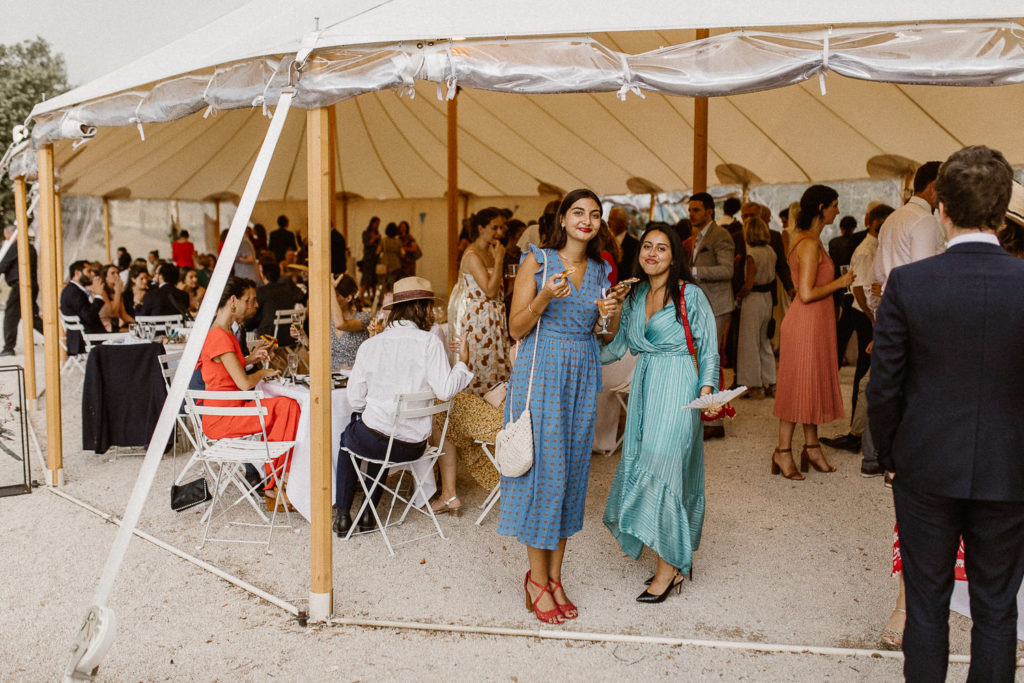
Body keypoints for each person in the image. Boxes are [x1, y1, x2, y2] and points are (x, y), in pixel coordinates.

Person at [868, 146, 1024, 683]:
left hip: (924, 465)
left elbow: (884, 385)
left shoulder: (910, 284)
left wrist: (887, 455)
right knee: (998, 606)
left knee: (928, 603)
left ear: (943, 211)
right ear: (1002, 215)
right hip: (1011, 467)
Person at [499, 188, 623, 625]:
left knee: (570, 475)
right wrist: (544, 297)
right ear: (563, 219)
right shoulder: (538, 260)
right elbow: (516, 327)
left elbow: (605, 336)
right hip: (542, 373)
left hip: (581, 375)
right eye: (578, 212)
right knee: (544, 475)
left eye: (594, 214)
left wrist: (610, 313)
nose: (586, 220)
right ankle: (535, 579)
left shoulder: (600, 271)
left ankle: (554, 577)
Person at [601, 224, 720, 602]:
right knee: (644, 462)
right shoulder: (634, 296)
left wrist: (706, 394)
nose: (652, 253)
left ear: (674, 256)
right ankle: (673, 557)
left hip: (680, 384)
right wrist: (574, 346)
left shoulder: (690, 295)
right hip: (646, 385)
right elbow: (616, 348)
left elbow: (709, 350)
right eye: (647, 247)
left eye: (662, 248)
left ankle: (668, 568)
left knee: (665, 465)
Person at [332, 276, 472, 536]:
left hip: (378, 441)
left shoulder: (370, 345)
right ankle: (367, 514)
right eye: (429, 307)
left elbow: (356, 401)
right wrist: (462, 362)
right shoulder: (429, 342)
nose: (431, 313)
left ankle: (342, 515)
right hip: (413, 447)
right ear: (419, 308)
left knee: (351, 437)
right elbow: (446, 390)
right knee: (380, 432)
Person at [771, 185, 854, 480]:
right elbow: (805, 293)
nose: (838, 210)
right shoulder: (807, 244)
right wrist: (842, 281)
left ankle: (811, 446)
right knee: (797, 386)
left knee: (809, 384)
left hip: (814, 323)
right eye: (834, 204)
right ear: (821, 208)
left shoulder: (812, 241)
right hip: (805, 322)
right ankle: (782, 451)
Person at [199, 276, 301, 505]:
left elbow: (225, 370)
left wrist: (250, 358)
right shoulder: (219, 335)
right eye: (250, 300)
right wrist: (264, 372)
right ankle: (275, 482)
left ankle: (276, 480)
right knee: (288, 406)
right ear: (233, 301)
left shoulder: (221, 332)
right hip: (225, 417)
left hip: (228, 411)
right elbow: (244, 383)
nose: (254, 305)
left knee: (285, 406)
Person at [687, 192, 734, 440]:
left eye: (696, 210)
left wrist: (693, 270)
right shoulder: (700, 236)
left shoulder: (721, 235)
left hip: (716, 305)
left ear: (709, 212)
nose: (691, 214)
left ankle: (713, 422)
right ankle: (707, 418)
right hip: (704, 304)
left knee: (709, 362)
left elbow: (727, 270)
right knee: (703, 360)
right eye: (690, 210)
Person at [454, 208, 511, 396]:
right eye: (494, 227)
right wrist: (500, 260)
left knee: (496, 369)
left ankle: (493, 419)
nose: (500, 232)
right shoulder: (473, 256)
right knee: (481, 369)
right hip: (480, 321)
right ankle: (476, 418)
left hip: (494, 317)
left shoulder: (490, 252)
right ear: (480, 228)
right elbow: (490, 290)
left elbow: (500, 292)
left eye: (501, 227)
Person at [734, 216, 777, 398]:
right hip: (767, 297)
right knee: (764, 341)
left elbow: (749, 284)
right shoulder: (770, 251)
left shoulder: (752, 254)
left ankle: (754, 385)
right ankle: (770, 381)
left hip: (753, 299)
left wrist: (738, 296)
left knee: (749, 342)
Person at [0, 225, 42, 356]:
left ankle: (8, 347)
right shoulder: (30, 247)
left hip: (21, 286)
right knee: (32, 317)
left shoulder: (17, 246)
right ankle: (57, 335)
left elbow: (3, 265)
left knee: (11, 316)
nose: (6, 239)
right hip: (31, 285)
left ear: (11, 234)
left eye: (6, 236)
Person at [252, 260, 305, 347]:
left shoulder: (261, 291)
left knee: (251, 332)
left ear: (263, 275)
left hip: (269, 338)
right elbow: (301, 297)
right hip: (291, 335)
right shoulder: (288, 288)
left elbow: (253, 319)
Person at [59, 261, 106, 355]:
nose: (92, 274)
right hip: (86, 340)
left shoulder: (73, 290)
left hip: (84, 338)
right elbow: (89, 317)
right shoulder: (74, 292)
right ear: (77, 273)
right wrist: (98, 296)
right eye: (89, 271)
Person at [328, 274, 371, 369]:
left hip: (353, 378)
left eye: (335, 296)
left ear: (348, 298)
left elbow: (341, 324)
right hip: (330, 379)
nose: (330, 299)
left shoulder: (364, 317)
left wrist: (330, 287)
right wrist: (303, 337)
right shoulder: (328, 320)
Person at [97, 264, 134, 331]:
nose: (117, 276)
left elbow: (123, 315)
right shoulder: (102, 291)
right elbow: (113, 313)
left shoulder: (116, 292)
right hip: (103, 327)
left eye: (118, 273)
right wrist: (118, 292)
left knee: (137, 332)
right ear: (106, 277)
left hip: (114, 326)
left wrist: (137, 324)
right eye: (113, 273)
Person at [607, 206, 639, 280]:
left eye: (612, 219)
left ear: (621, 223)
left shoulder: (634, 244)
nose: (608, 222)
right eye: (609, 218)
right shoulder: (605, 242)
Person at [358, 217, 381, 302]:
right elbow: (366, 243)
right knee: (365, 278)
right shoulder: (366, 233)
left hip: (375, 259)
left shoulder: (377, 234)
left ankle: (373, 297)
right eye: (376, 224)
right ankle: (361, 297)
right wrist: (374, 238)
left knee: (374, 279)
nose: (377, 226)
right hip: (368, 259)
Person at [381, 222, 404, 287]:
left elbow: (377, 252)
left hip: (385, 263)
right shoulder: (398, 241)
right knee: (394, 283)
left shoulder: (383, 240)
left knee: (384, 282)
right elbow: (403, 254)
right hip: (396, 264)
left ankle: (385, 295)